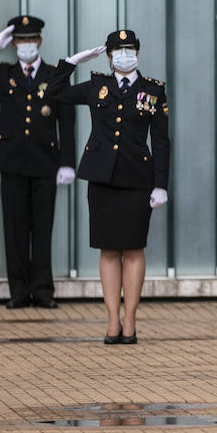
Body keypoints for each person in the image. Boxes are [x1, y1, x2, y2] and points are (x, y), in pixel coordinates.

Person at [45, 30, 168, 344]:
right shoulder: (97, 86)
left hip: (137, 180)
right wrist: (71, 62)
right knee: (109, 249)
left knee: (134, 248)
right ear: (109, 55)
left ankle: (130, 322)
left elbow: (162, 141)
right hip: (102, 179)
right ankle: (112, 322)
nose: (124, 55)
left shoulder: (152, 90)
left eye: (129, 49)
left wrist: (160, 184)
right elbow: (53, 93)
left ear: (138, 53)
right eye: (118, 50)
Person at [0, 15, 77, 309]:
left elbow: (67, 122)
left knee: (42, 228)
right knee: (14, 229)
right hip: (11, 161)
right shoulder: (3, 73)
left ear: (39, 41)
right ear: (13, 44)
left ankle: (42, 290)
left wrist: (67, 162)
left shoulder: (54, 76)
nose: (26, 45)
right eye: (20, 40)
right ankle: (18, 290)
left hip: (44, 162)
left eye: (30, 39)